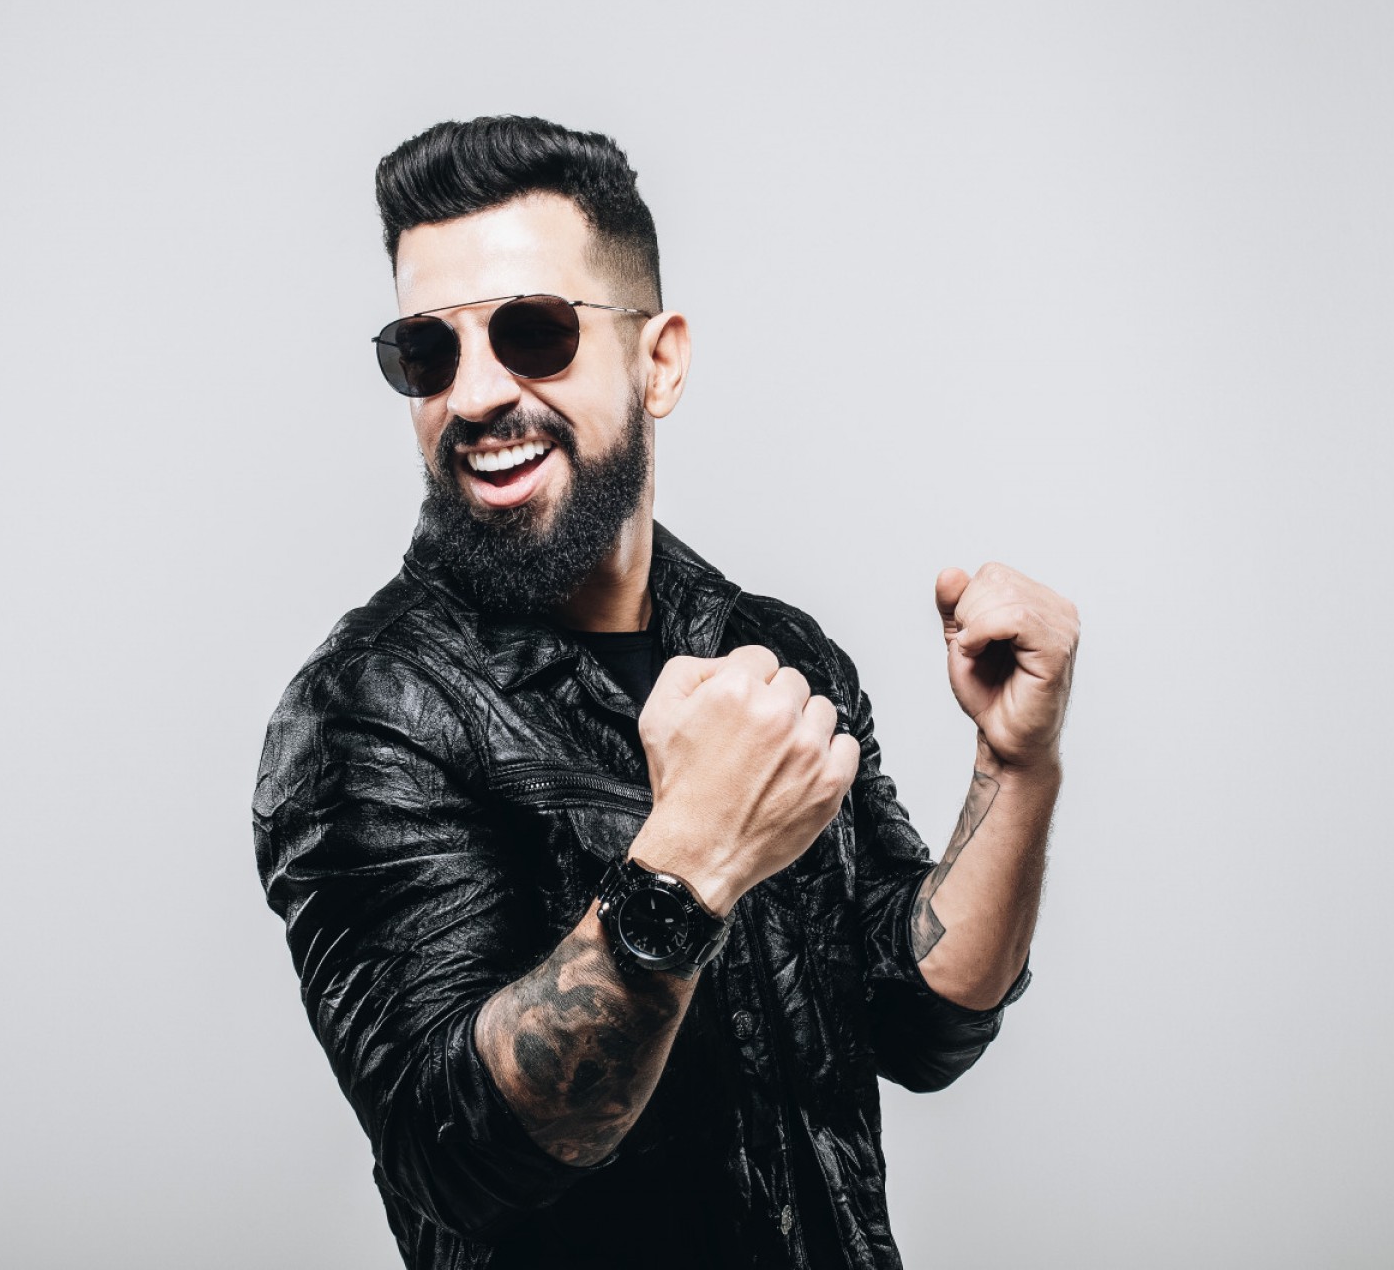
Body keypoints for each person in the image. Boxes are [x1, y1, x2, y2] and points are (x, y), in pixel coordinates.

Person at [251, 115, 1080, 1270]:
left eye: (533, 333)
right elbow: (457, 1155)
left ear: (660, 361)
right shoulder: (366, 713)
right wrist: (691, 858)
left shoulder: (775, 652)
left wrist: (1016, 764)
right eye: (428, 352)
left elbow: (922, 1015)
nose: (474, 394)